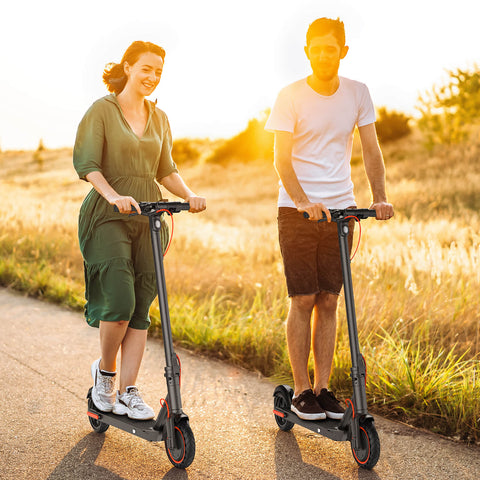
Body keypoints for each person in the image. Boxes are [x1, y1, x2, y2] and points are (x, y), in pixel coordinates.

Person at [265, 18, 394, 421]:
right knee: (303, 298)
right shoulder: (290, 95)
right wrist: (303, 200)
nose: (324, 54)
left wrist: (379, 198)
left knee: (329, 300)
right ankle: (301, 390)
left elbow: (371, 149)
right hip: (297, 210)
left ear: (343, 50)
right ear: (307, 52)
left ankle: (323, 389)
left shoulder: (358, 93)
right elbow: (280, 158)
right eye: (316, 48)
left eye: (331, 47)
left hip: (341, 210)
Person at [73, 41, 206, 420]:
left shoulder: (159, 117)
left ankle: (129, 390)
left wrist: (191, 194)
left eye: (158, 71)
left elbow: (166, 170)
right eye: (146, 68)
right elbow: (88, 163)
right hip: (108, 214)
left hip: (150, 216)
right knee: (118, 302)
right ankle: (105, 375)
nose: (152, 76)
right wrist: (114, 195)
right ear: (128, 67)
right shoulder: (102, 110)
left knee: (141, 306)